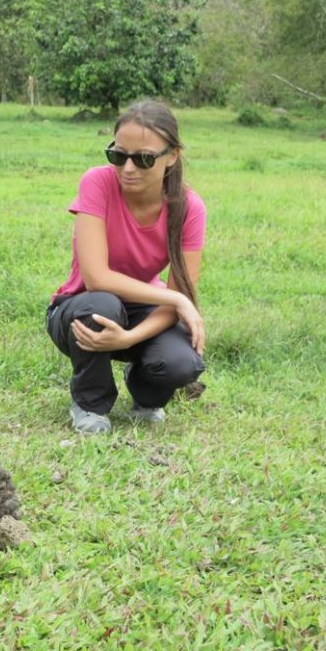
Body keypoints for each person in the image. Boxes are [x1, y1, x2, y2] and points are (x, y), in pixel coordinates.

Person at [46, 100, 206, 435]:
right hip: (81, 306)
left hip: (143, 312)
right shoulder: (97, 183)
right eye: (119, 155)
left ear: (172, 156)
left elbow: (174, 301)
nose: (128, 168)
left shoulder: (189, 208)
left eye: (144, 158)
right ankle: (90, 404)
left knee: (182, 362)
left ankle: (146, 395)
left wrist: (131, 336)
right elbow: (95, 276)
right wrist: (177, 299)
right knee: (102, 304)